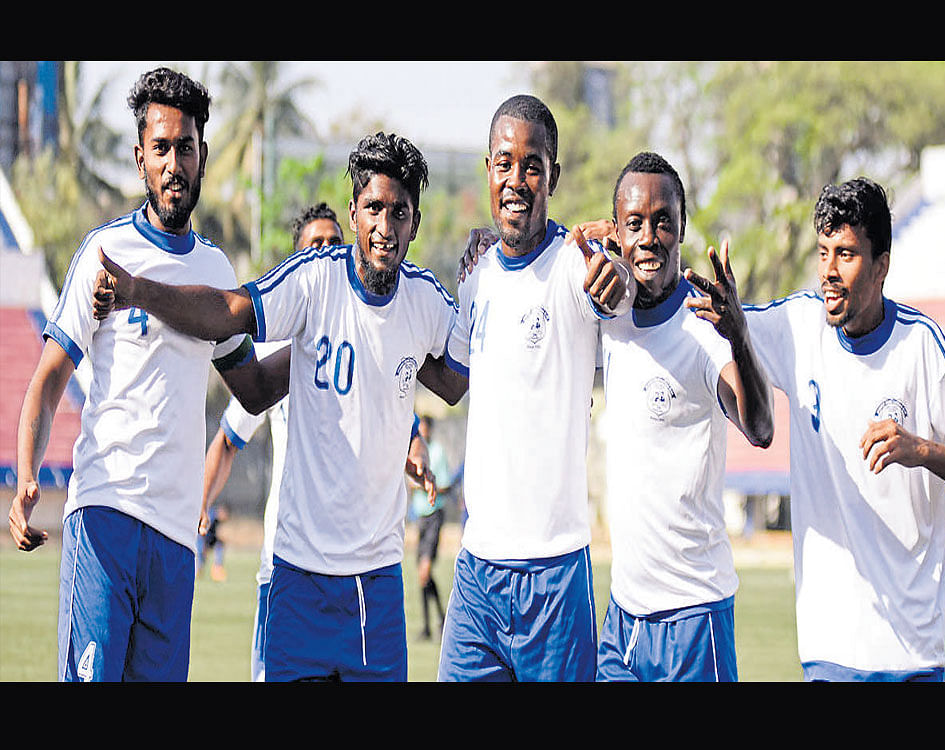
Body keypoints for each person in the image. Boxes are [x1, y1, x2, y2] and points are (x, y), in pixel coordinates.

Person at [92, 131, 454, 682]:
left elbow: (457, 378)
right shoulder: (313, 282)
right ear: (355, 211)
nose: (385, 226)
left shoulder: (425, 300)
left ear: (415, 222)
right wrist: (140, 291)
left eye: (399, 212)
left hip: (374, 587)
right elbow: (232, 312)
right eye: (373, 208)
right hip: (295, 577)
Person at [7, 67, 285, 682]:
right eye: (160, 148)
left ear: (203, 155)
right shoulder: (106, 253)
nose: (173, 162)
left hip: (176, 538)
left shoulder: (216, 272)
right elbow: (51, 376)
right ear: (140, 158)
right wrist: (28, 473)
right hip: (105, 512)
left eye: (185, 147)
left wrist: (327, 332)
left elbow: (256, 388)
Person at [691, 177, 945, 681]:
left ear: (882, 266)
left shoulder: (922, 345)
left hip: (913, 656)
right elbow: (723, 321)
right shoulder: (798, 326)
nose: (829, 272)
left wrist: (919, 449)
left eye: (848, 255)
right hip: (830, 653)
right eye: (824, 252)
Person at [431, 94, 633, 682]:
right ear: (488, 169)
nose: (516, 179)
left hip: (554, 572)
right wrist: (385, 330)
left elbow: (613, 286)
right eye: (504, 162)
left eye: (532, 165)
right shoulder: (477, 278)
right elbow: (450, 382)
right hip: (476, 572)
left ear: (553, 176)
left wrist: (614, 273)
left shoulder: (575, 264)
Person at [581, 152, 774, 681]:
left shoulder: (704, 326)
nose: (649, 236)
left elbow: (760, 429)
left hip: (695, 616)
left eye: (663, 221)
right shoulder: (608, 313)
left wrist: (739, 336)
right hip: (623, 618)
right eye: (635, 223)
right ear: (617, 232)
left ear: (682, 228)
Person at [198, 202, 344, 680]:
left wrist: (415, 450)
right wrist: (199, 505)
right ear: (295, 262)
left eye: (333, 244)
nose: (324, 254)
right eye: (313, 246)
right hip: (283, 567)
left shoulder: (370, 338)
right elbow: (227, 440)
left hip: (356, 567)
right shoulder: (273, 359)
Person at [408, 414, 452, 640]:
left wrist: (427, 486)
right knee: (421, 575)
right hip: (421, 518)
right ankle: (430, 625)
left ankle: (443, 619)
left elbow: (444, 485)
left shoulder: (437, 452)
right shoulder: (412, 449)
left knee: (425, 571)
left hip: (435, 515)